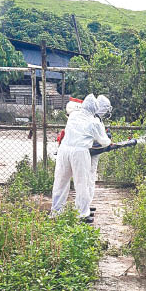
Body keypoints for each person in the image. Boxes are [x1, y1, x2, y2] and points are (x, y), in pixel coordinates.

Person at [51, 94, 111, 222]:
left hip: (64, 150)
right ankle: (82, 214)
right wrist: (108, 139)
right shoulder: (94, 122)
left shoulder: (73, 115)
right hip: (80, 152)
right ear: (95, 109)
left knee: (60, 182)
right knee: (81, 183)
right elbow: (104, 142)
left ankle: (56, 212)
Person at [89, 95, 113, 205]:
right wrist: (107, 139)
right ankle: (85, 207)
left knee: (91, 176)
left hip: (94, 152)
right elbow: (97, 138)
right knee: (88, 177)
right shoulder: (94, 119)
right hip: (89, 152)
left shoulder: (98, 119)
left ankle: (87, 204)